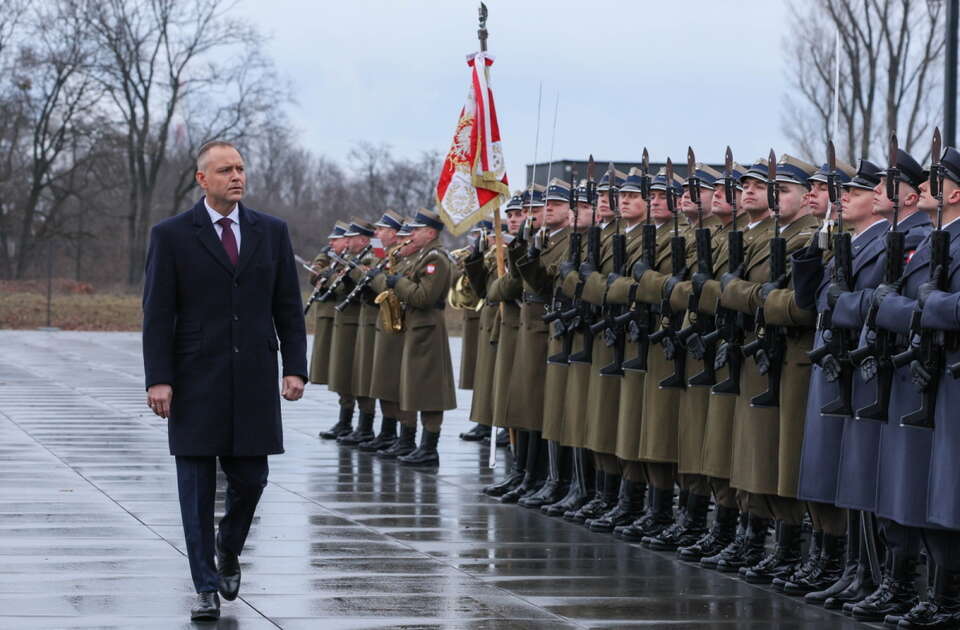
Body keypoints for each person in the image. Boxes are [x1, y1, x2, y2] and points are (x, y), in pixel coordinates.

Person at [142, 140, 307, 621]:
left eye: (240, 168)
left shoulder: (270, 232)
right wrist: (159, 379)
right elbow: (158, 314)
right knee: (194, 491)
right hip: (194, 379)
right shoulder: (171, 235)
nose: (236, 176)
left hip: (254, 377)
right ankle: (205, 586)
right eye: (225, 170)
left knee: (253, 478)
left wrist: (294, 367)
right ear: (202, 179)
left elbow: (287, 308)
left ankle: (228, 545)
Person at [368, 208, 457, 466]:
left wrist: (396, 283)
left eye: (416, 230)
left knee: (429, 392)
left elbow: (423, 297)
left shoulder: (435, 259)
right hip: (415, 328)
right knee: (411, 387)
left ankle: (429, 447)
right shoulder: (423, 256)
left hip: (427, 329)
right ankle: (412, 442)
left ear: (430, 233)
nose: (411, 234)